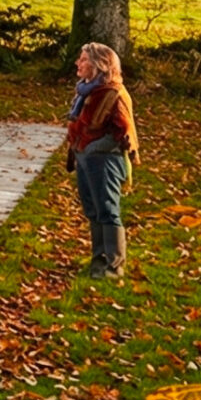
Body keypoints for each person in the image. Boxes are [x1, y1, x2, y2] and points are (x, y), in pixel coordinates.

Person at [66, 40, 140, 279]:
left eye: (84, 59)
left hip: (105, 160)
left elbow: (122, 133)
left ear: (100, 64)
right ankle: (98, 261)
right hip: (86, 158)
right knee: (93, 210)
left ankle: (114, 267)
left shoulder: (113, 93)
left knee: (107, 210)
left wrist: (93, 149)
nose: (78, 63)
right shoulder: (86, 90)